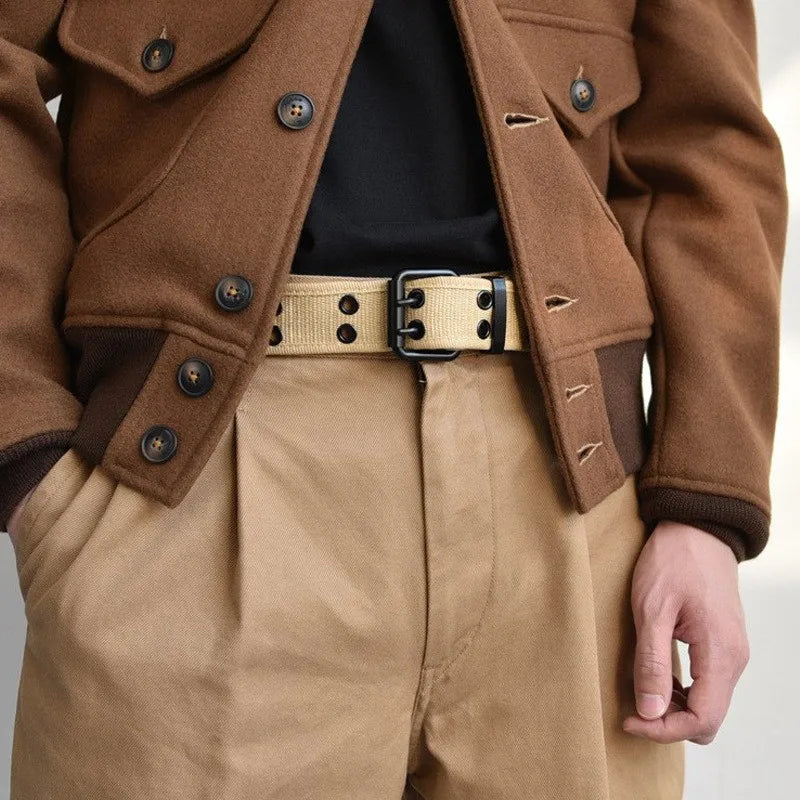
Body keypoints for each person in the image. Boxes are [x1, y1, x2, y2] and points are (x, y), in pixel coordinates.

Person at [0, 0, 787, 797]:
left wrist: (704, 506)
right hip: (197, 474)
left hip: (569, 487)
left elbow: (706, 142)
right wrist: (27, 454)